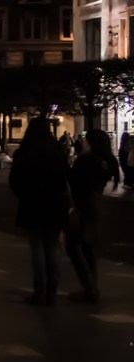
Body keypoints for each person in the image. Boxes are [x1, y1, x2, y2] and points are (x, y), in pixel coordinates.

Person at [9, 117, 71, 306]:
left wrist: (25, 195)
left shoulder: (25, 152)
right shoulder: (57, 151)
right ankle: (52, 290)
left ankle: (39, 290)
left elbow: (15, 181)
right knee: (52, 248)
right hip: (55, 204)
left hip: (33, 204)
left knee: (36, 247)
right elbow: (66, 178)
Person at [66, 128, 112, 302]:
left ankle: (89, 287)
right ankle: (91, 286)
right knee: (88, 247)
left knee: (73, 246)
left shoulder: (85, 160)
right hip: (95, 205)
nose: (83, 142)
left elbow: (74, 180)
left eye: (86, 140)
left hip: (83, 206)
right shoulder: (105, 161)